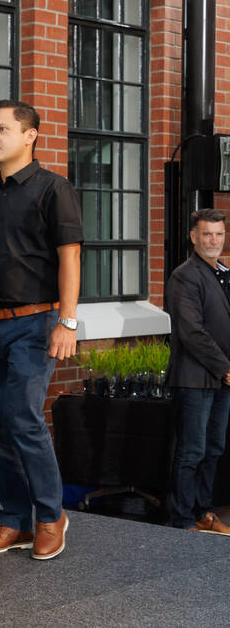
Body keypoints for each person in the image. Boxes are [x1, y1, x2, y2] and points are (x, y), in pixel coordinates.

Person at [0, 100, 82, 561]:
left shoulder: (54, 189)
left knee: (22, 416)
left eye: (3, 129)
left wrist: (67, 321)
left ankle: (51, 516)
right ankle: (13, 520)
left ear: (31, 135)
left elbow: (70, 257)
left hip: (37, 323)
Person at [165, 208, 230, 535]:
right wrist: (226, 368)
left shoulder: (224, 273)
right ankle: (181, 520)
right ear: (193, 237)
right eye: (207, 234)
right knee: (191, 450)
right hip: (194, 379)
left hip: (221, 380)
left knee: (214, 448)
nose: (214, 240)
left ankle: (203, 513)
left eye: (219, 234)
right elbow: (192, 332)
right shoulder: (185, 275)